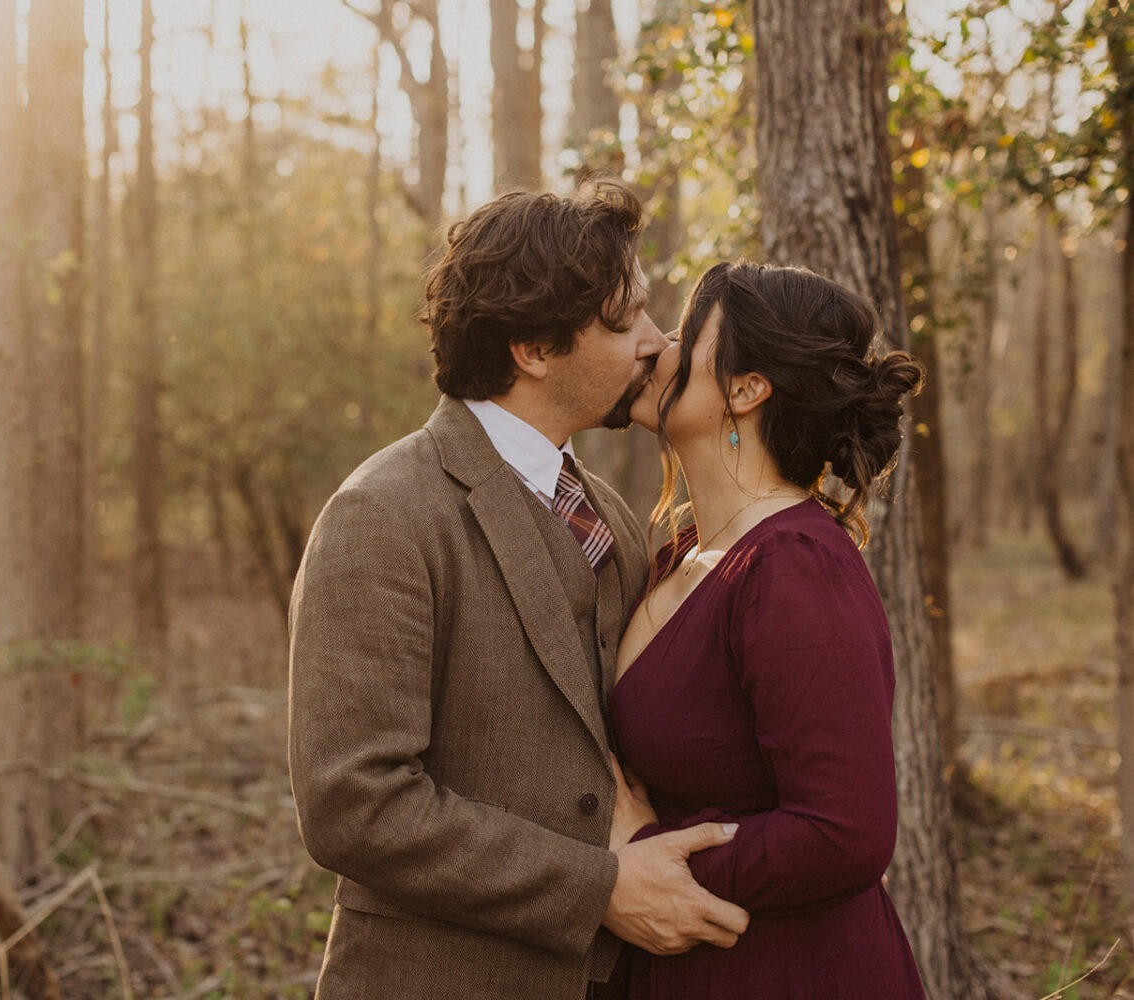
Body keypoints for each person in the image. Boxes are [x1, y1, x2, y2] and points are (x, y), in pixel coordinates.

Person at [288, 180, 749, 999]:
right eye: (625, 319)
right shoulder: (383, 515)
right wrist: (597, 889)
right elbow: (353, 805)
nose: (656, 341)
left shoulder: (609, 513)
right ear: (533, 349)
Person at [610, 260, 928, 997]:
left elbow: (845, 834)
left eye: (687, 336)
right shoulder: (678, 556)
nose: (657, 346)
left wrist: (649, 857)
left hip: (789, 970)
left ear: (747, 390)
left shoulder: (793, 566)